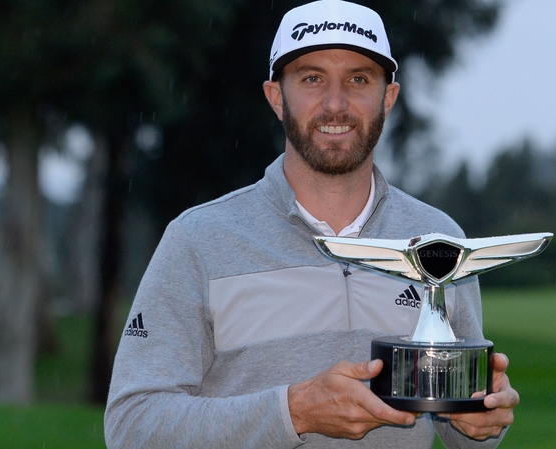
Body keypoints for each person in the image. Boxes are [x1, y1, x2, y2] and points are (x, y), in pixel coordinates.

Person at [104, 1, 519, 447]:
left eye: (358, 79)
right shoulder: (198, 240)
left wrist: (480, 421)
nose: (335, 104)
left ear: (389, 97)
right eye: (311, 79)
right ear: (276, 96)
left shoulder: (439, 241)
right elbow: (132, 427)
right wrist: (294, 411)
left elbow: (458, 421)